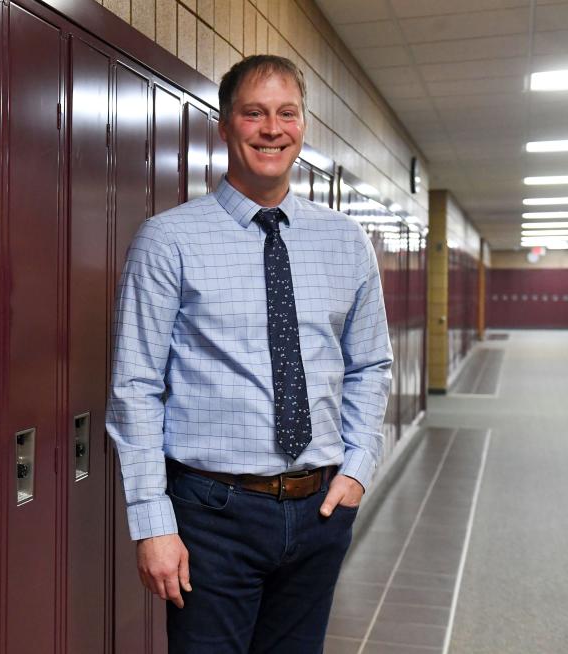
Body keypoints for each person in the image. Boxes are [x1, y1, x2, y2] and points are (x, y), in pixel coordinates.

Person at [106, 54, 393, 653]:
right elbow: (135, 383)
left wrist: (359, 467)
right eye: (254, 113)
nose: (272, 129)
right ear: (225, 124)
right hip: (213, 515)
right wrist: (152, 521)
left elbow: (370, 365)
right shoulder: (169, 239)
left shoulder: (346, 242)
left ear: (303, 125)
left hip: (320, 511)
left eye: (286, 113)